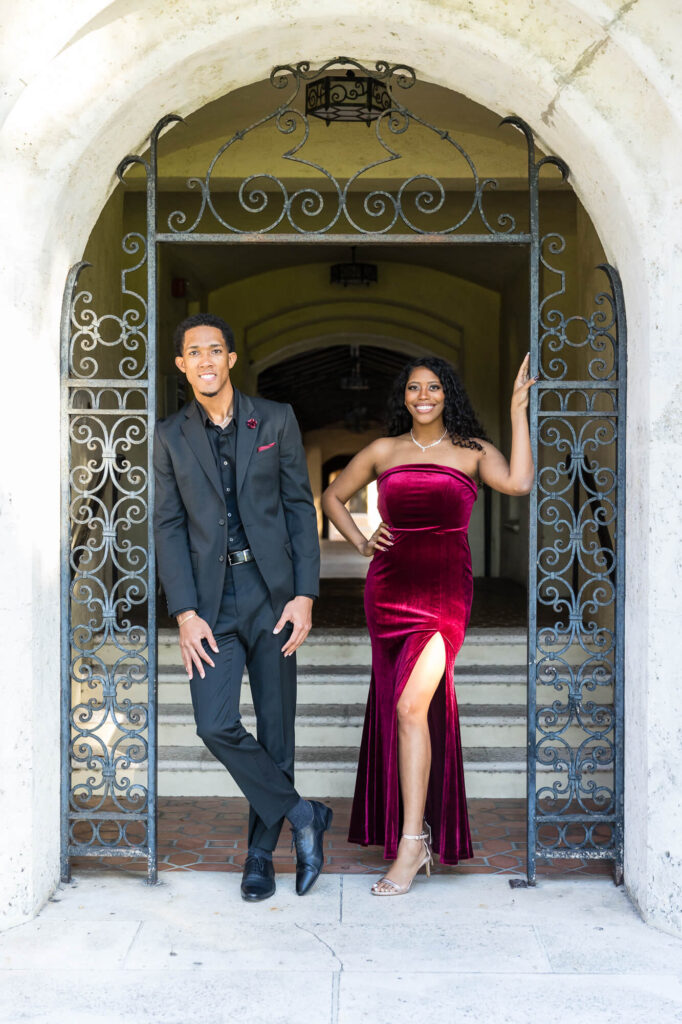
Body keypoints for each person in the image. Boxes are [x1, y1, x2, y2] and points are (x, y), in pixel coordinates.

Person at [322, 354, 536, 895]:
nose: (423, 395)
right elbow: (331, 496)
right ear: (403, 397)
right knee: (404, 708)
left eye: (434, 387)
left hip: (444, 594)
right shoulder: (382, 450)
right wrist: (360, 539)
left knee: (409, 705)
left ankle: (412, 844)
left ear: (448, 394)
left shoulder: (471, 451)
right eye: (414, 388)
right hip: (388, 590)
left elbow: (518, 482)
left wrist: (517, 410)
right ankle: (413, 837)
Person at [153, 312, 332, 901]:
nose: (205, 360)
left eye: (215, 350)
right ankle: (304, 815)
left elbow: (300, 510)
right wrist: (184, 612)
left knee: (278, 734)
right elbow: (169, 526)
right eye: (193, 352)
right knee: (215, 722)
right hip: (208, 605)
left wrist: (305, 595)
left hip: (272, 596)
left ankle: (260, 857)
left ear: (231, 359)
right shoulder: (169, 437)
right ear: (182, 365)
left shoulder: (274, 419)